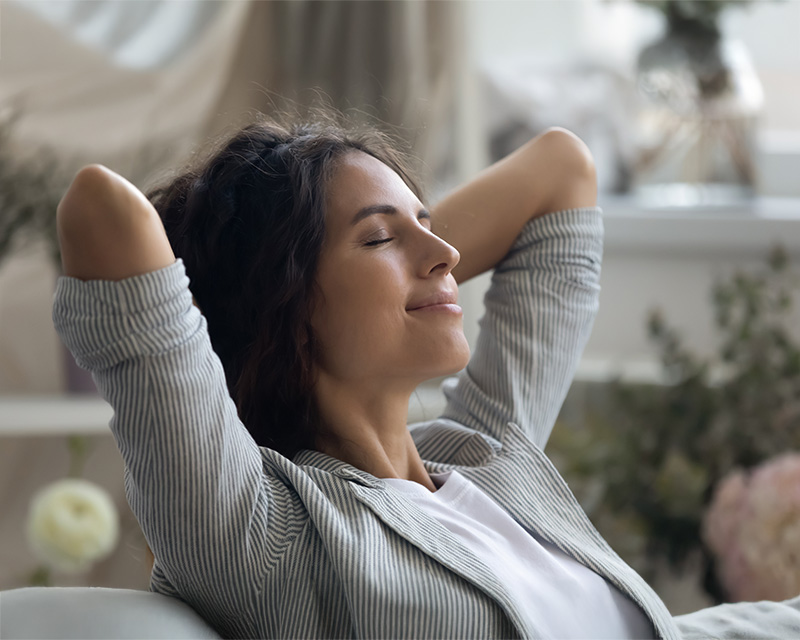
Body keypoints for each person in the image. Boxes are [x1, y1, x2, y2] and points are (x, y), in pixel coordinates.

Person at [53, 112, 800, 639]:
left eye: (431, 226)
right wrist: (286, 278)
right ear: (283, 302)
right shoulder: (259, 531)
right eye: (380, 236)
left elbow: (560, 170)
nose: (444, 253)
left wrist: (398, 261)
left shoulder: (485, 452)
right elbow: (103, 212)